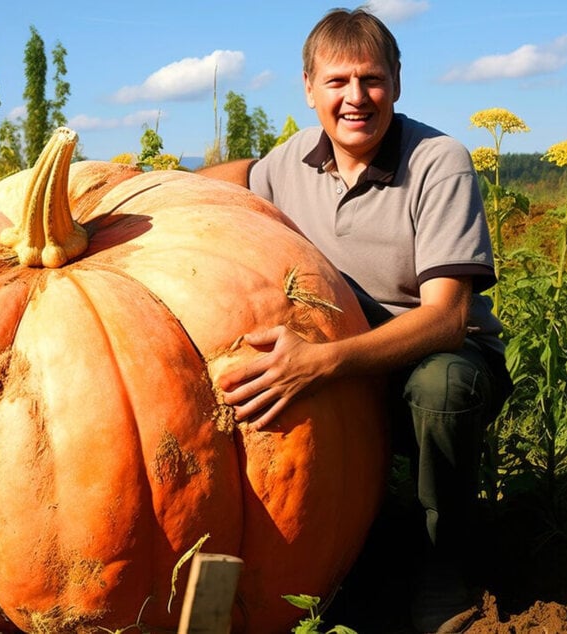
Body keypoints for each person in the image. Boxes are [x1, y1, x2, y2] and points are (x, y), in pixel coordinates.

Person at [200, 8, 512, 634]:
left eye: (371, 79)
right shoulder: (292, 161)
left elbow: (447, 319)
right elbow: (238, 177)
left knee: (442, 387)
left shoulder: (438, 161)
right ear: (309, 88)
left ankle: (441, 563)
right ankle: (316, 561)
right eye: (338, 82)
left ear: (396, 82)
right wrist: (143, 193)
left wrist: (316, 364)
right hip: (339, 352)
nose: (356, 98)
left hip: (431, 354)